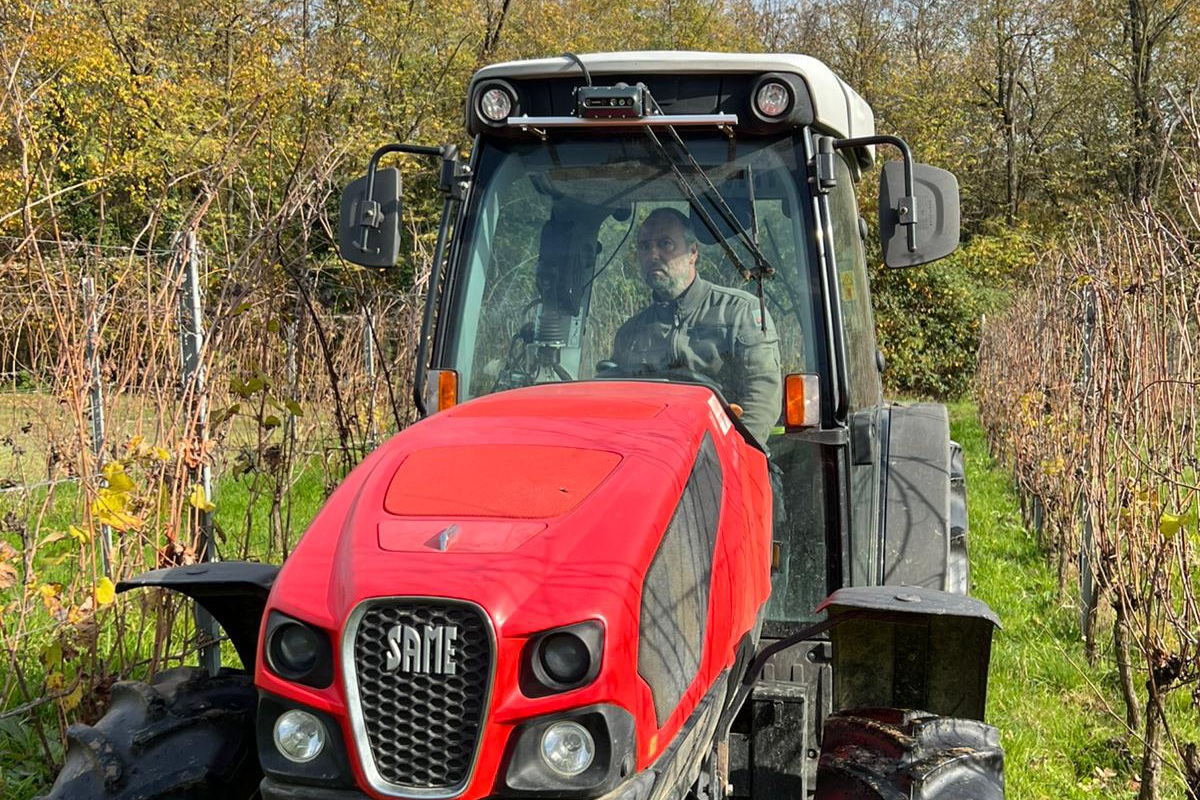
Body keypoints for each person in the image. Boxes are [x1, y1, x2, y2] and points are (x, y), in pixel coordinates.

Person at [610, 207, 783, 448]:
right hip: (650, 459)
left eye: (665, 244)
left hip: (723, 456)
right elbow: (616, 404)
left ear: (693, 252)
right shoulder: (630, 333)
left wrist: (734, 453)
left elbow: (762, 394)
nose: (653, 254)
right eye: (644, 246)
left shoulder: (739, 311)